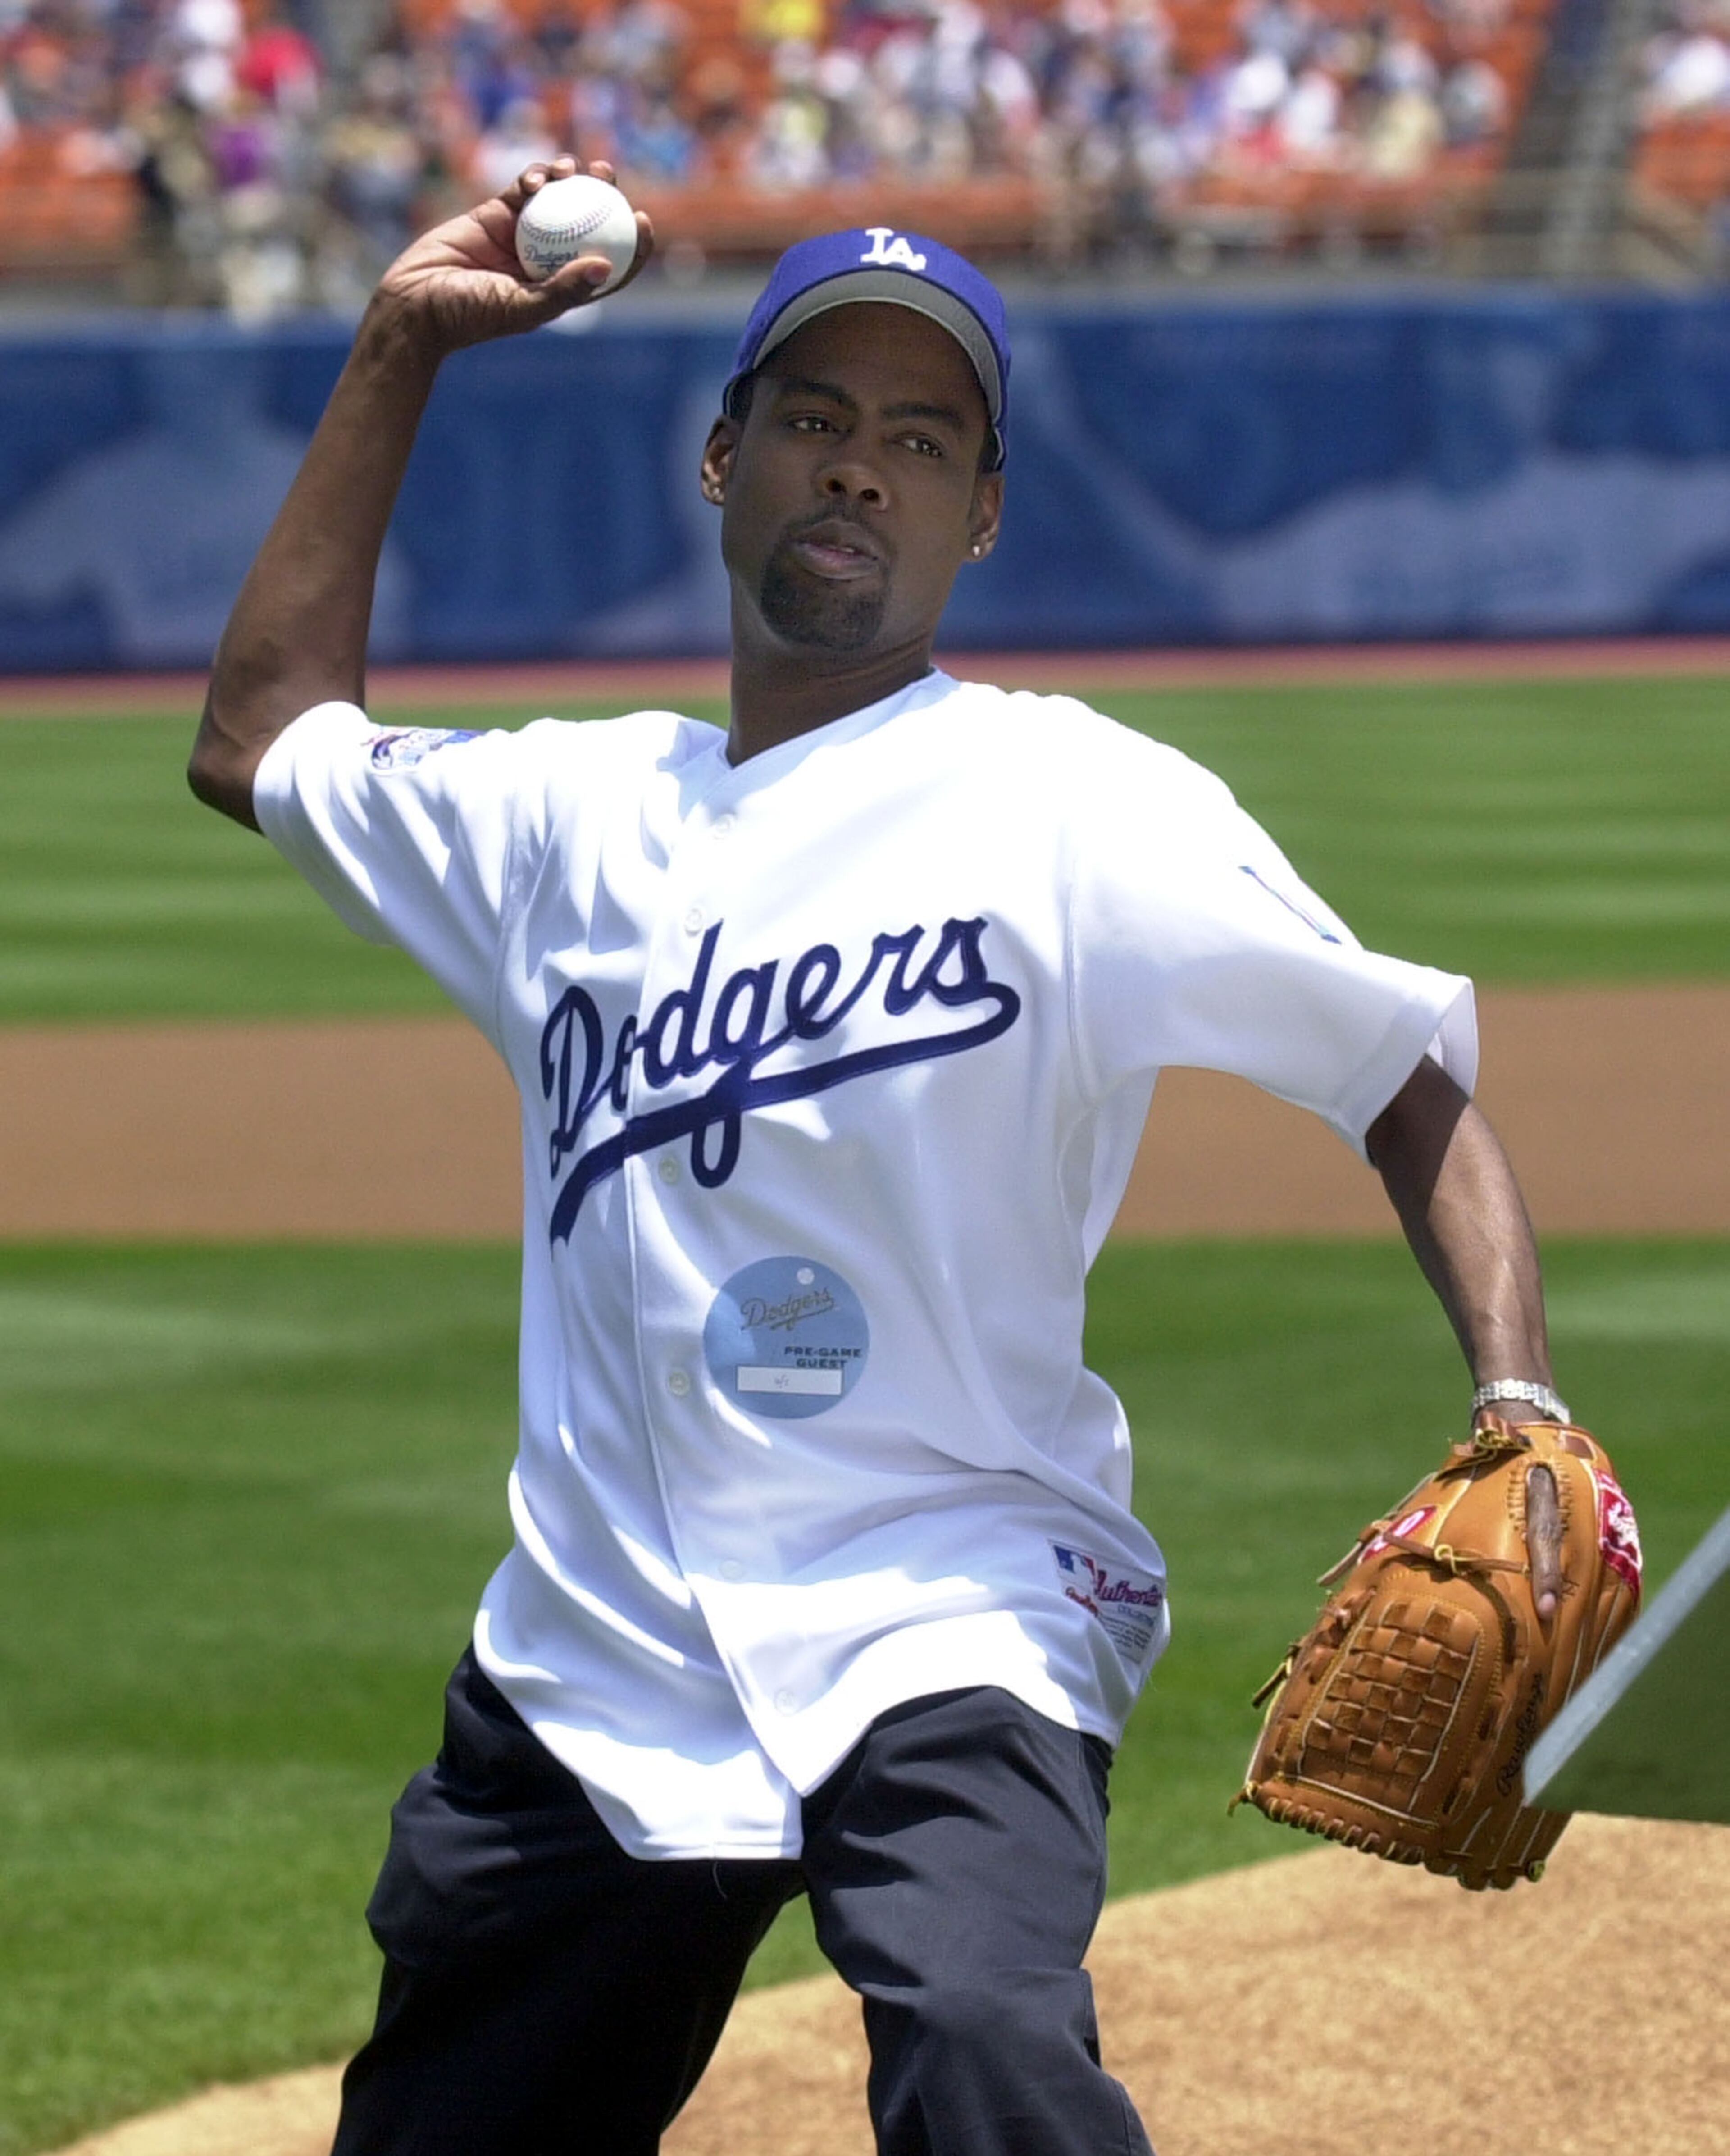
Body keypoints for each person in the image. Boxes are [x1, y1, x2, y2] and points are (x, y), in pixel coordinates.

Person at [188, 159, 1567, 2156]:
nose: (861, 473)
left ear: (982, 514)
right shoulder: (567, 817)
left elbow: (1401, 1076)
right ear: (724, 458)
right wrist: (402, 342)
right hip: (601, 1644)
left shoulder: (1080, 802)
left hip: (956, 1601)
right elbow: (261, 735)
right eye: (817, 424)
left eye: (921, 442)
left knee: (993, 2054)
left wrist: (1515, 1394)